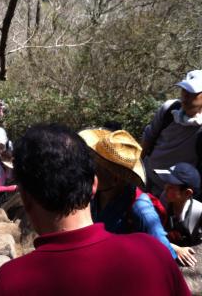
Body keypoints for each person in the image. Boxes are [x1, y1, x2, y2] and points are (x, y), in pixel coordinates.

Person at [0, 124, 190, 296]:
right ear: (93, 184)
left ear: (25, 198)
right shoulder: (153, 254)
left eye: (99, 166)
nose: (95, 168)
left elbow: (159, 238)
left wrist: (174, 247)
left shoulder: (10, 282)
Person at [79, 128, 176, 259]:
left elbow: (165, 255)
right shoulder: (96, 192)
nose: (90, 170)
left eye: (96, 168)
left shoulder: (141, 210)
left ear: (115, 178)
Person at [142, 69, 202, 197]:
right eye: (184, 90)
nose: (185, 96)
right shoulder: (169, 109)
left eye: (192, 92)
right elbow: (148, 137)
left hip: (172, 192)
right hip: (146, 177)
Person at [155, 162, 202, 266]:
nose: (165, 188)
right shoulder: (164, 199)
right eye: (166, 183)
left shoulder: (198, 212)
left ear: (187, 193)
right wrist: (173, 247)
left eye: (171, 187)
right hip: (166, 252)